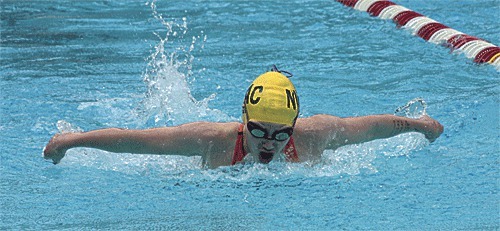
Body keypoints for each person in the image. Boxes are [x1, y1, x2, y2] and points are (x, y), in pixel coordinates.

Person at [43, 66, 444, 168]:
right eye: (258, 131)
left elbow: (371, 127)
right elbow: (136, 140)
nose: (269, 143)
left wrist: (420, 125)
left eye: (280, 133)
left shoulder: (315, 135)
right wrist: (73, 141)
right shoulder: (212, 139)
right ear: (243, 120)